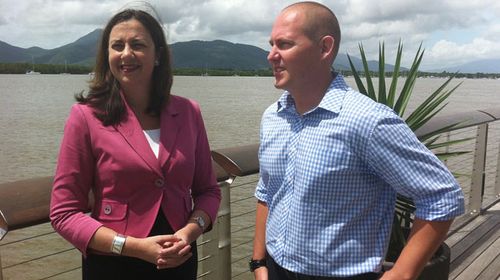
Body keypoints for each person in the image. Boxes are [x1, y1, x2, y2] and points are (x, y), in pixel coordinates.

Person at [251, 2, 464, 280]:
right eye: (271, 44)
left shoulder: (367, 121)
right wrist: (259, 263)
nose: (271, 55)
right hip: (276, 269)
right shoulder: (273, 117)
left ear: (325, 48)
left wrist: (401, 273)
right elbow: (267, 191)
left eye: (285, 44)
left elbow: (441, 195)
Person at [50, 7, 221, 280]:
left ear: (158, 56)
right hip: (113, 262)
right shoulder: (86, 116)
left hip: (179, 258)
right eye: (117, 46)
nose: (126, 53)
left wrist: (190, 231)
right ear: (107, 56)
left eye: (138, 45)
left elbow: (208, 191)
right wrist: (132, 246)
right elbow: (64, 212)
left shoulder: (188, 112)